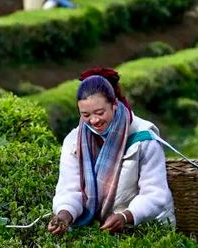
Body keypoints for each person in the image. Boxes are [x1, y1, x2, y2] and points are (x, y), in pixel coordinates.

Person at [47, 68, 175, 235]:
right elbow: (70, 189)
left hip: (147, 228)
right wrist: (64, 215)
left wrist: (126, 216)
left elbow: (156, 194)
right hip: (102, 229)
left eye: (100, 113)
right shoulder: (74, 141)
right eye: (85, 115)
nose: (94, 120)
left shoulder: (144, 138)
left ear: (115, 104)